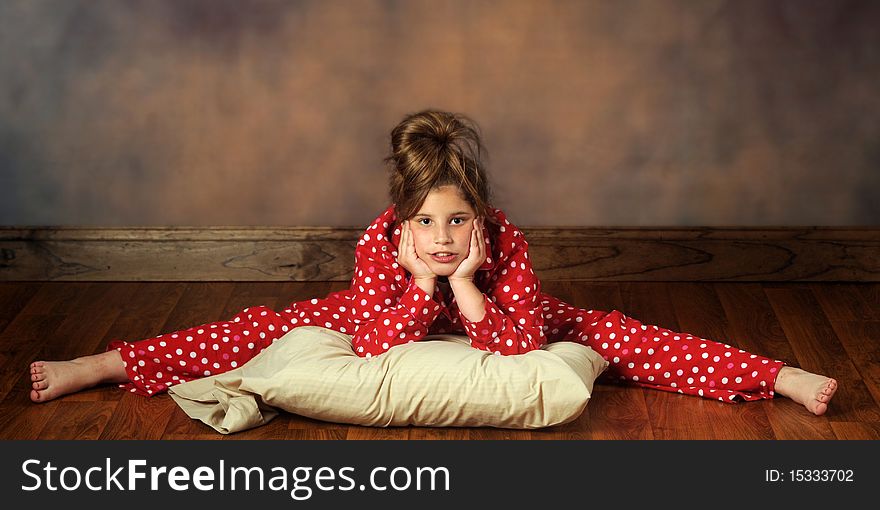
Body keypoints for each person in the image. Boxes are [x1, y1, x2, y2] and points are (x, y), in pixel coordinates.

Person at [29, 109, 838, 416]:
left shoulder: (504, 243)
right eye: (429, 223)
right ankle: (102, 365)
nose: (446, 234)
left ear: (479, 218)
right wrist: (422, 284)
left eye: (458, 221)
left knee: (621, 333)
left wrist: (466, 288)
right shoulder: (382, 243)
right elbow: (375, 345)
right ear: (403, 222)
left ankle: (773, 377)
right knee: (260, 327)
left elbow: (523, 344)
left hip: (495, 314)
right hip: (390, 309)